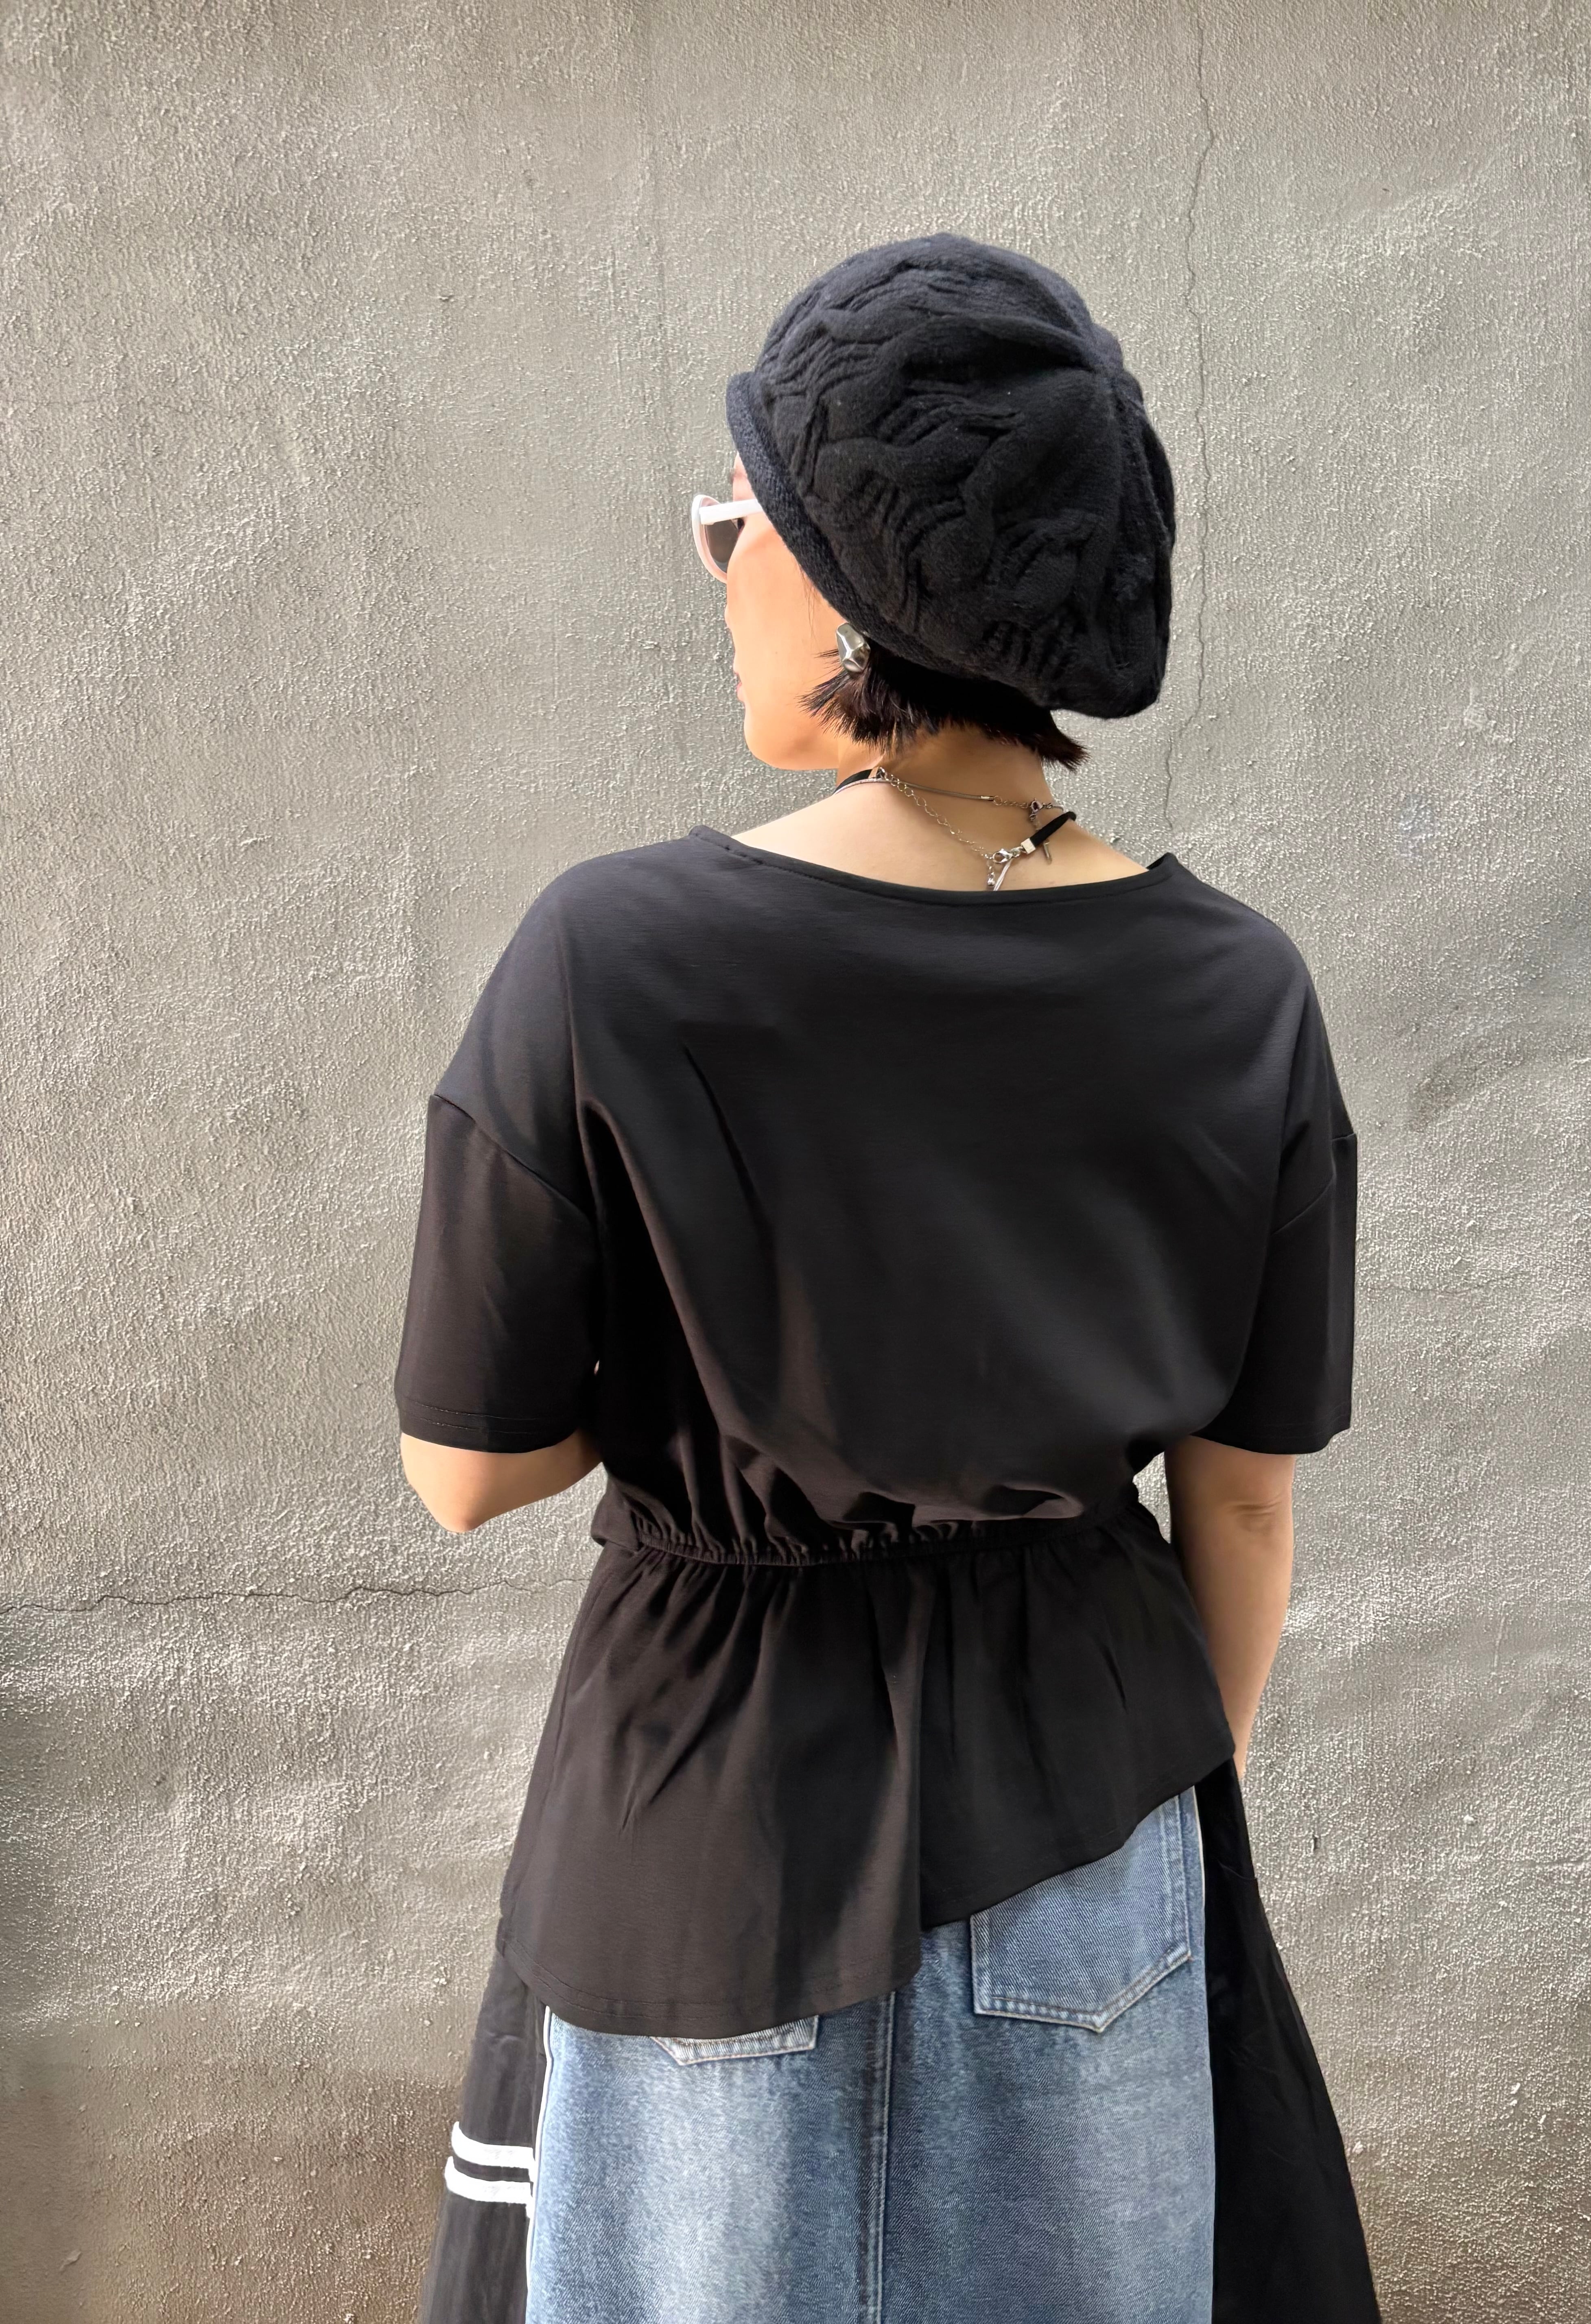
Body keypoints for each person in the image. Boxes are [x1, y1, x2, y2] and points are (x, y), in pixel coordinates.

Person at [394, 233, 1378, 2324]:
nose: (715, 567)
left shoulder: (611, 957)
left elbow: (465, 1470)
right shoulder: (1238, 987)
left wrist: (705, 1377)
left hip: (706, 1827)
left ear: (854, 584)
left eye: (735, 518)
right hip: (1090, 1805)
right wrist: (1121, 1776)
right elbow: (1245, 1503)